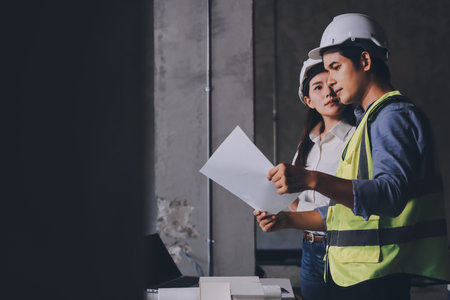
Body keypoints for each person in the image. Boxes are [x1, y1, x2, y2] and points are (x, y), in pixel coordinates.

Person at [255, 13, 450, 300]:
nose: (331, 81)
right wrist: (287, 220)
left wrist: (311, 179)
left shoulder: (392, 116)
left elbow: (389, 194)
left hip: (376, 275)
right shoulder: (371, 120)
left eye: (335, 67)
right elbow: (348, 211)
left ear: (365, 61)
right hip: (360, 272)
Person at [286, 57, 354, 300]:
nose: (329, 91)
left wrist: (297, 210)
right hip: (309, 246)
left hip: (343, 246)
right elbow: (291, 198)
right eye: (318, 87)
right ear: (309, 101)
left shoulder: (355, 139)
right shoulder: (307, 145)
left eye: (333, 83)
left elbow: (349, 204)